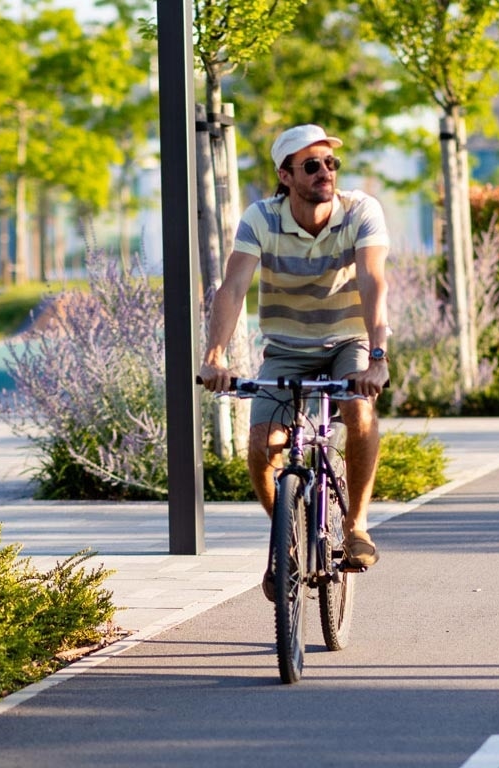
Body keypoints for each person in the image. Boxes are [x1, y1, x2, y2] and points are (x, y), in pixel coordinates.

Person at [198, 124, 391, 597]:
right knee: (264, 445)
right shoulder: (260, 218)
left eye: (331, 163)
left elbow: (372, 282)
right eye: (312, 165)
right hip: (286, 347)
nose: (326, 172)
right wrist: (214, 357)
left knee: (360, 412)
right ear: (285, 176)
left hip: (348, 339)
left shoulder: (361, 210)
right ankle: (284, 540)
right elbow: (233, 288)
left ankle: (356, 526)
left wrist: (378, 358)